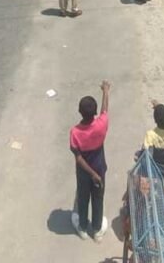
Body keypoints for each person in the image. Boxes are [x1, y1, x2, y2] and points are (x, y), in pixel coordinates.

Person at [70, 81, 110, 242]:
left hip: (84, 172)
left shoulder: (75, 132)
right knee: (98, 198)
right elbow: (105, 110)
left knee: (83, 196)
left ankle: (82, 228)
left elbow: (78, 157)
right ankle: (97, 229)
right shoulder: (101, 125)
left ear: (80, 112)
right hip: (99, 168)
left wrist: (90, 174)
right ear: (94, 113)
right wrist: (106, 91)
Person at [142, 101, 164, 188]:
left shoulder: (151, 135)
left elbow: (144, 151)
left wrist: (157, 107)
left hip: (155, 161)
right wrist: (158, 107)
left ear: (155, 120)